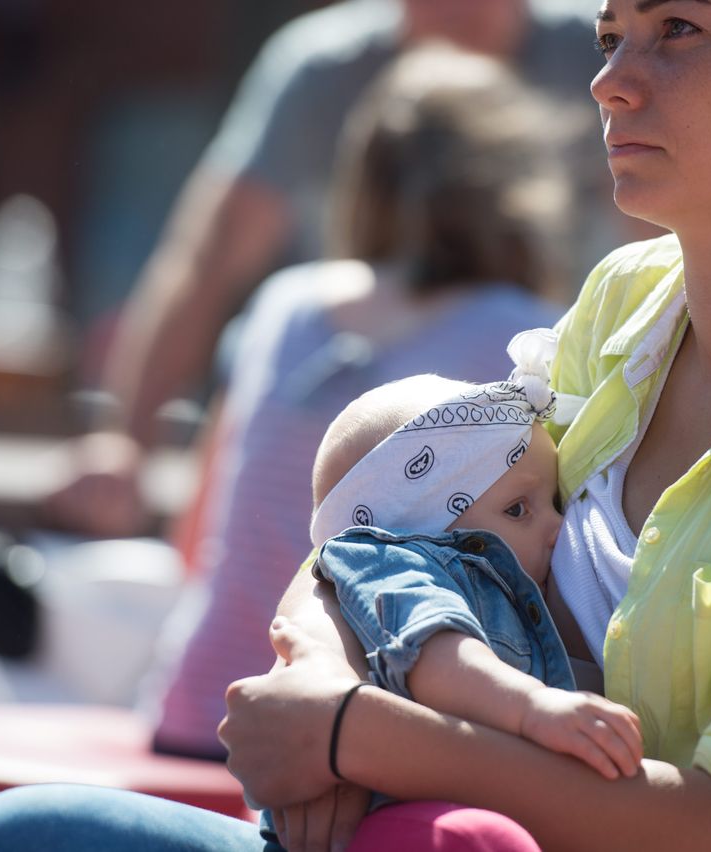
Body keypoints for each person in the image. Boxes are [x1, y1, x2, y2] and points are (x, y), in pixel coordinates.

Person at [0, 0, 711, 847]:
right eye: (610, 34)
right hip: (436, 836)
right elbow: (384, 510)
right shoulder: (622, 302)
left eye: (676, 32)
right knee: (13, 835)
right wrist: (318, 663)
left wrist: (358, 737)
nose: (609, 79)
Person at [44, 0, 658, 539]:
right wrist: (126, 440)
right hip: (375, 390)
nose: (455, 8)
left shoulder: (603, 50)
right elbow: (209, 257)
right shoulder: (321, 71)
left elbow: (662, 260)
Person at [142, 44, 569, 760]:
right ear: (518, 187)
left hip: (197, 706)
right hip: (348, 747)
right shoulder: (523, 339)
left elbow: (197, 533)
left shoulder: (284, 305)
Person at [258, 370, 642, 849]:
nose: (560, 526)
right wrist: (537, 707)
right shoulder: (400, 565)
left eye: (555, 501)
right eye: (519, 509)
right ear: (421, 521)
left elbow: (542, 669)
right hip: (382, 827)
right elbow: (439, 656)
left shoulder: (502, 595)